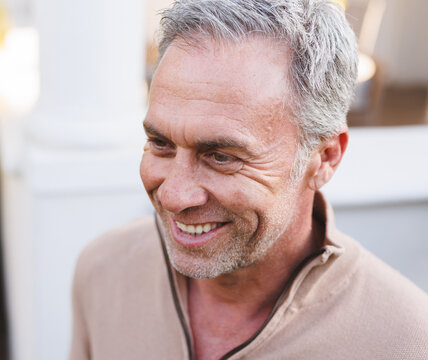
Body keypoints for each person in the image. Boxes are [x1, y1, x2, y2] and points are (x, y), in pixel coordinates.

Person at [69, 0, 428, 359]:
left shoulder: (406, 341)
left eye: (221, 156)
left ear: (324, 157)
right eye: (160, 144)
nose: (176, 195)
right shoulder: (103, 272)